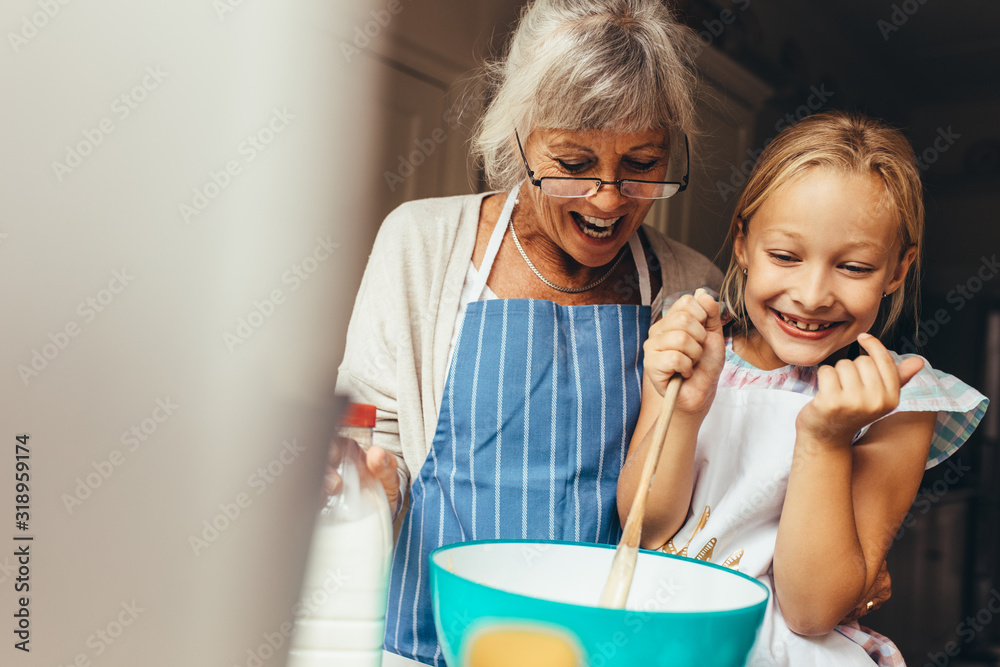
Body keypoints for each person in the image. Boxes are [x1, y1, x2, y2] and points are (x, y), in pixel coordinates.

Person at [335, 1, 725, 663]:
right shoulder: (422, 245)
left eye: (640, 164)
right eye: (573, 163)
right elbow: (378, 445)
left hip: (598, 650)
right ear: (518, 138)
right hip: (426, 645)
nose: (607, 200)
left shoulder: (688, 285)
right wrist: (365, 479)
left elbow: (690, 518)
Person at [619, 110, 988, 666]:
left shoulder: (903, 401)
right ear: (742, 243)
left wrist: (825, 438)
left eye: (855, 267)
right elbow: (642, 528)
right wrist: (687, 410)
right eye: (785, 256)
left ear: (897, 270)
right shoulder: (692, 341)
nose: (813, 295)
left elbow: (812, 609)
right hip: (657, 636)